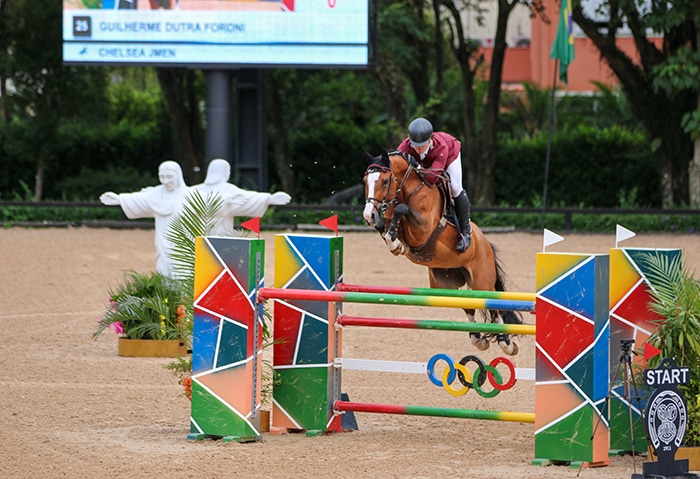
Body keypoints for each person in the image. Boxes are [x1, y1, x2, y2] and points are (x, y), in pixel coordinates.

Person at [100, 161, 191, 277]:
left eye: (169, 177)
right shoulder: (157, 193)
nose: (165, 181)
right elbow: (140, 199)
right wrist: (119, 199)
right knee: (164, 271)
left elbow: (211, 202)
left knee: (182, 272)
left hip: (182, 244)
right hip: (163, 243)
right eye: (162, 177)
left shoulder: (189, 194)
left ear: (178, 176)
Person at [397, 117, 472, 252]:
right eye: (415, 145)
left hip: (450, 155)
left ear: (430, 139)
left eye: (422, 145)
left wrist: (418, 167)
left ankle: (466, 232)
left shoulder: (441, 146)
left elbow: (432, 179)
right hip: (426, 164)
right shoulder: (406, 145)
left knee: (455, 187)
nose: (418, 149)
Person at [193, 158, 291, 236]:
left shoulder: (194, 190)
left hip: (195, 238)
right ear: (224, 172)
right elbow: (247, 198)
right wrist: (269, 198)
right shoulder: (229, 189)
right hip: (220, 237)